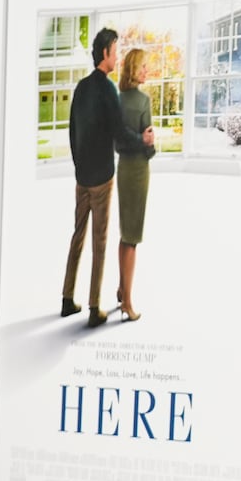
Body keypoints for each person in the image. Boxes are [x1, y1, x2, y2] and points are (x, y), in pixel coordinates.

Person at [63, 27, 154, 327]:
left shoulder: (82, 88)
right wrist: (142, 142)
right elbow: (118, 132)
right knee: (99, 242)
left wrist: (78, 167)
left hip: (82, 177)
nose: (117, 57)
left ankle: (67, 299)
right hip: (101, 177)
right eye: (115, 51)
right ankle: (93, 308)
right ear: (105, 53)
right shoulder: (107, 90)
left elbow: (72, 131)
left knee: (77, 236)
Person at [114, 46, 154, 322]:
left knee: (125, 234)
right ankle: (127, 302)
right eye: (142, 67)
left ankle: (121, 289)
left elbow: (117, 142)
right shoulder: (143, 101)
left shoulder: (115, 100)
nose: (145, 71)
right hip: (138, 171)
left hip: (123, 169)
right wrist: (148, 143)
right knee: (132, 238)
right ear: (132, 70)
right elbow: (148, 146)